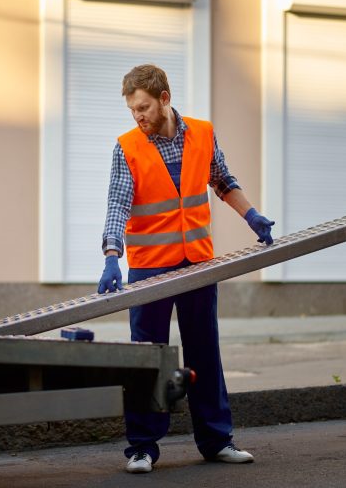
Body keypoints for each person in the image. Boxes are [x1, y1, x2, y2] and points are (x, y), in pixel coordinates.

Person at [97, 64, 275, 474]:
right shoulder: (127, 146)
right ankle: (142, 448)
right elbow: (118, 204)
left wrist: (252, 216)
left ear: (164, 99)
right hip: (148, 269)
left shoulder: (203, 133)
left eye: (143, 107)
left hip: (197, 264)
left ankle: (217, 440)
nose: (137, 116)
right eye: (131, 110)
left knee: (204, 352)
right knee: (146, 360)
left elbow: (223, 180)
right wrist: (111, 256)